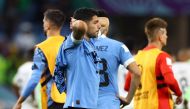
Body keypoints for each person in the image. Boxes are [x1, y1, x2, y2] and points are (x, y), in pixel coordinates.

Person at [124, 18, 183, 109]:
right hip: (159, 105)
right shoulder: (162, 56)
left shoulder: (136, 59)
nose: (166, 37)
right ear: (160, 36)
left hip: (139, 106)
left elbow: (127, 86)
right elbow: (170, 80)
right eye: (165, 34)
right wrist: (179, 94)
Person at [13, 9, 66, 109]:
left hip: (53, 100)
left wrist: (20, 101)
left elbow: (34, 79)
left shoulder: (42, 48)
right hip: (71, 98)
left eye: (43, 22)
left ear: (47, 25)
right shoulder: (70, 45)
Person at [53, 8, 101, 109]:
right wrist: (76, 22)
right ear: (85, 24)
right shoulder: (74, 44)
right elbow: (79, 27)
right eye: (95, 22)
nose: (99, 26)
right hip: (77, 105)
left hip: (90, 105)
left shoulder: (91, 44)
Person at [93, 10, 141, 109]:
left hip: (84, 101)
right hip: (109, 103)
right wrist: (128, 99)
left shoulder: (80, 46)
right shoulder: (118, 46)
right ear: (107, 29)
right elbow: (137, 73)